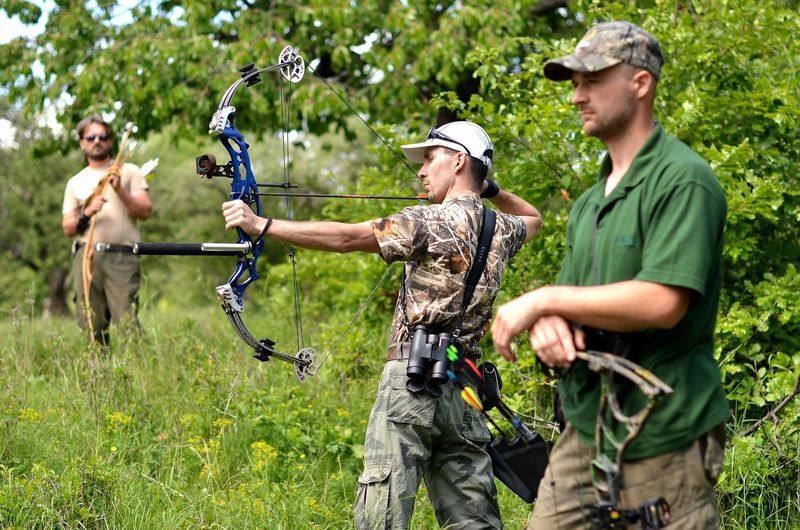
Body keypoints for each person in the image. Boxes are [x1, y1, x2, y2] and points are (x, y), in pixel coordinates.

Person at [222, 121, 542, 529]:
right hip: (464, 390)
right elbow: (534, 217)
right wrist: (487, 186)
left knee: (382, 513)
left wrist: (262, 225)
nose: (422, 171)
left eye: (430, 159)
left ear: (459, 160)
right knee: (474, 520)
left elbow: (347, 238)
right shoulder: (502, 229)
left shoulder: (428, 221)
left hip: (411, 383)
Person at [491, 21, 728, 528]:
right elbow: (571, 303)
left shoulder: (683, 179)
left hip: (664, 433)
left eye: (592, 80)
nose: (578, 96)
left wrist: (540, 300)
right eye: (574, 83)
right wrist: (549, 321)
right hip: (584, 426)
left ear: (640, 84)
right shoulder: (587, 204)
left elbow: (663, 302)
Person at [62, 115, 152, 345]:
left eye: (102, 136)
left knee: (127, 321)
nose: (96, 141)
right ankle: (98, 375)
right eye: (90, 137)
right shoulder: (76, 181)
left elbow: (145, 210)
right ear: (82, 142)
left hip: (122, 256)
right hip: (87, 256)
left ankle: (139, 374)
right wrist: (88, 212)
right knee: (91, 322)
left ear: (111, 141)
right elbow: (68, 227)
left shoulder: (128, 171)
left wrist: (119, 189)